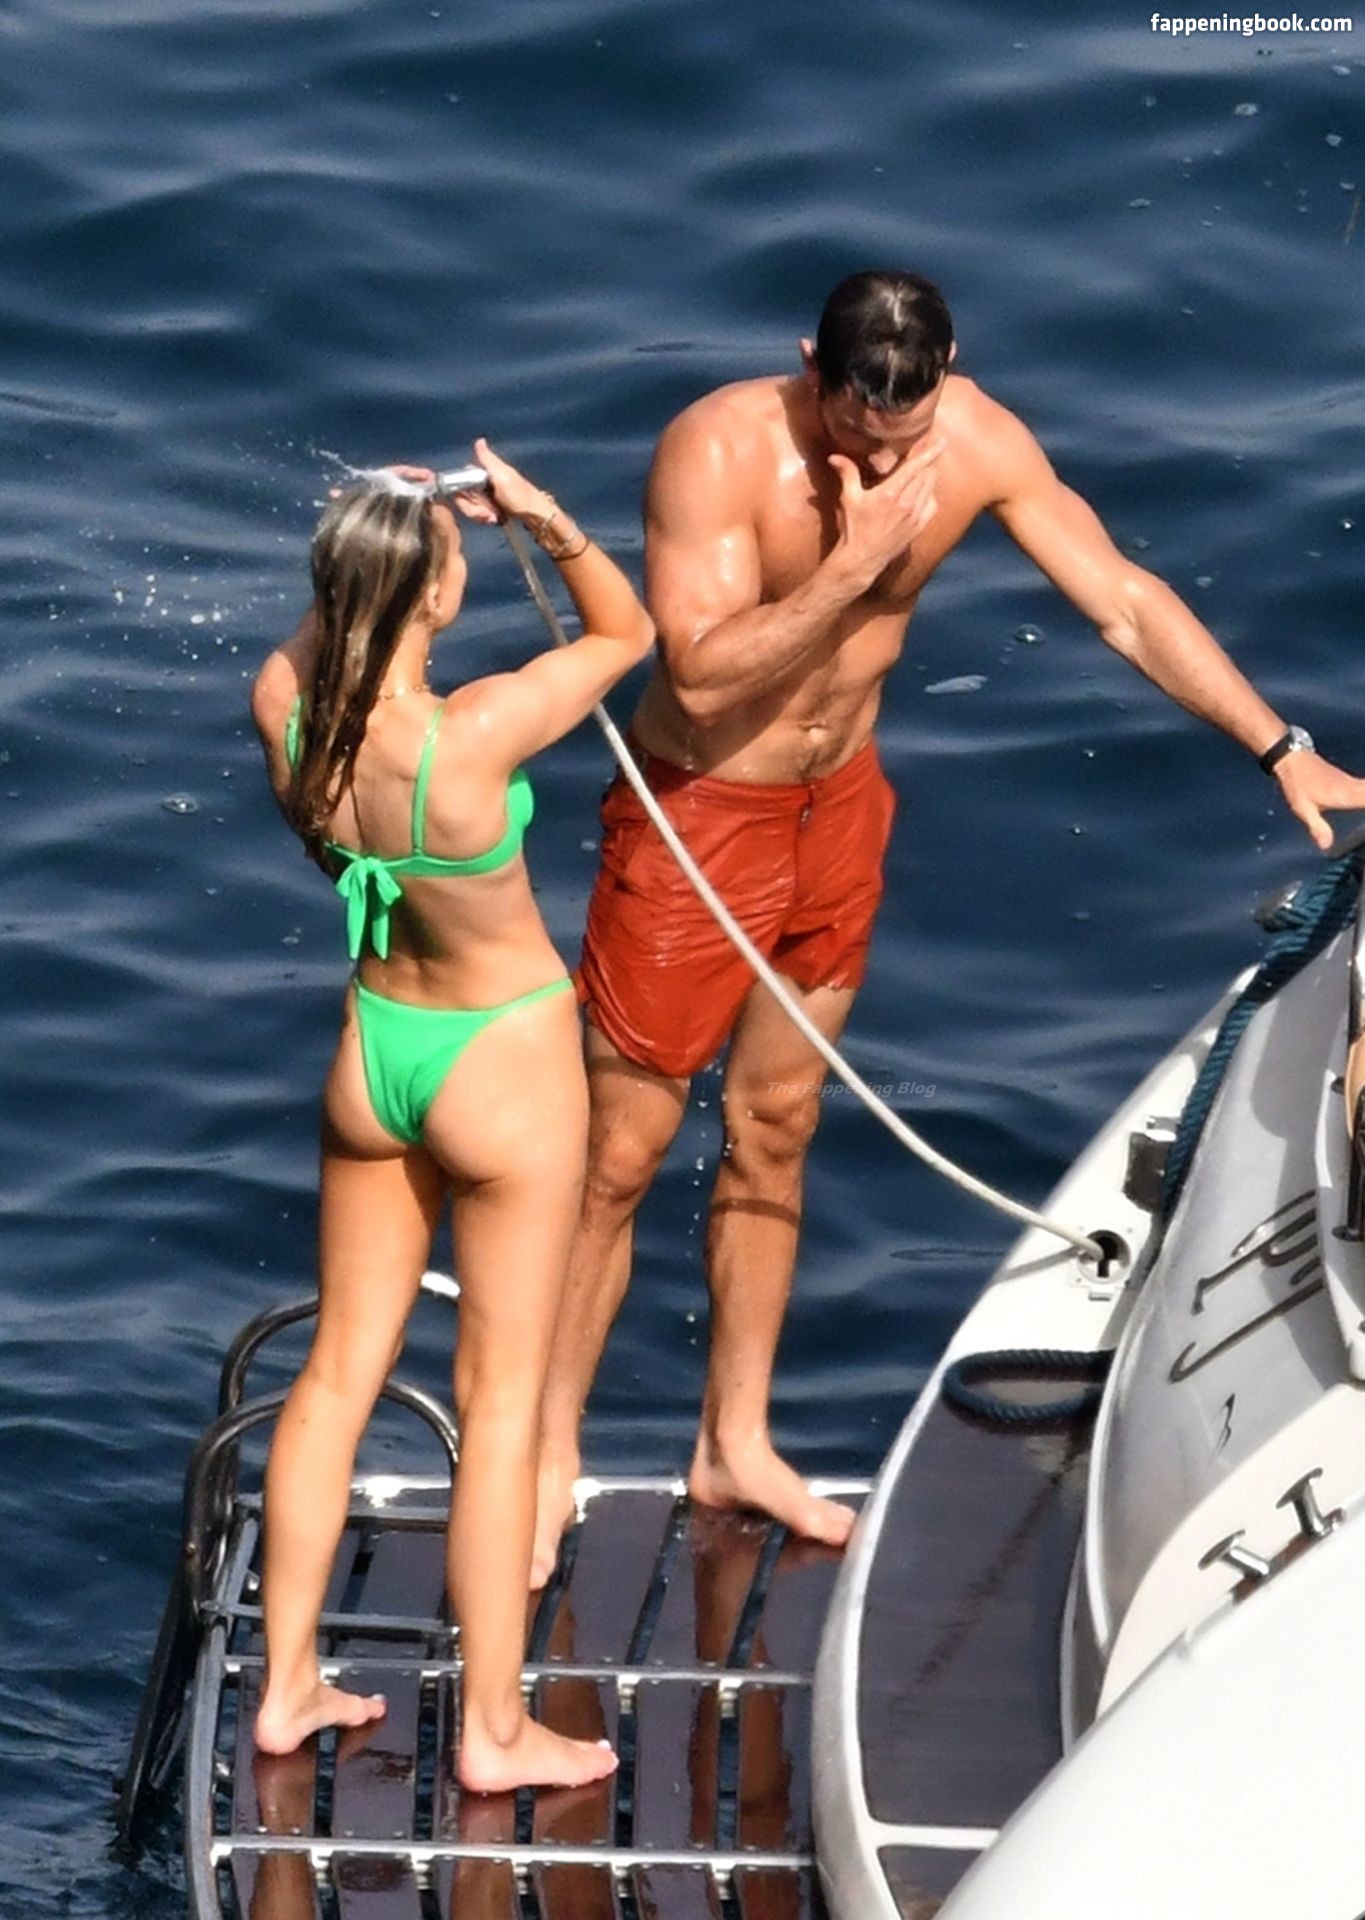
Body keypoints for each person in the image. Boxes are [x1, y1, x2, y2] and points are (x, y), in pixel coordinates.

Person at [530, 267, 1365, 1583]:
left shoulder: (974, 441)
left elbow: (1120, 598)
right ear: (809, 366)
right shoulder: (719, 448)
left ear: (948, 374)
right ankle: (539, 1458)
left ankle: (733, 1443)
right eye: (852, 432)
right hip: (701, 815)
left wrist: (1277, 747)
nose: (877, 462)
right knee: (620, 1155)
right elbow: (696, 668)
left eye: (900, 439)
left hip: (838, 814)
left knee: (777, 1125)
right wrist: (854, 563)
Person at [249, 438, 654, 1790]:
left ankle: (288, 1684)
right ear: (433, 595)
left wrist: (367, 535)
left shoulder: (288, 717)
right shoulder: (471, 734)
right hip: (502, 1064)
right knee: (500, 1403)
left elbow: (308, 646)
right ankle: (492, 1729)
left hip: (374, 1052)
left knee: (336, 1375)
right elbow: (627, 632)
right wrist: (542, 518)